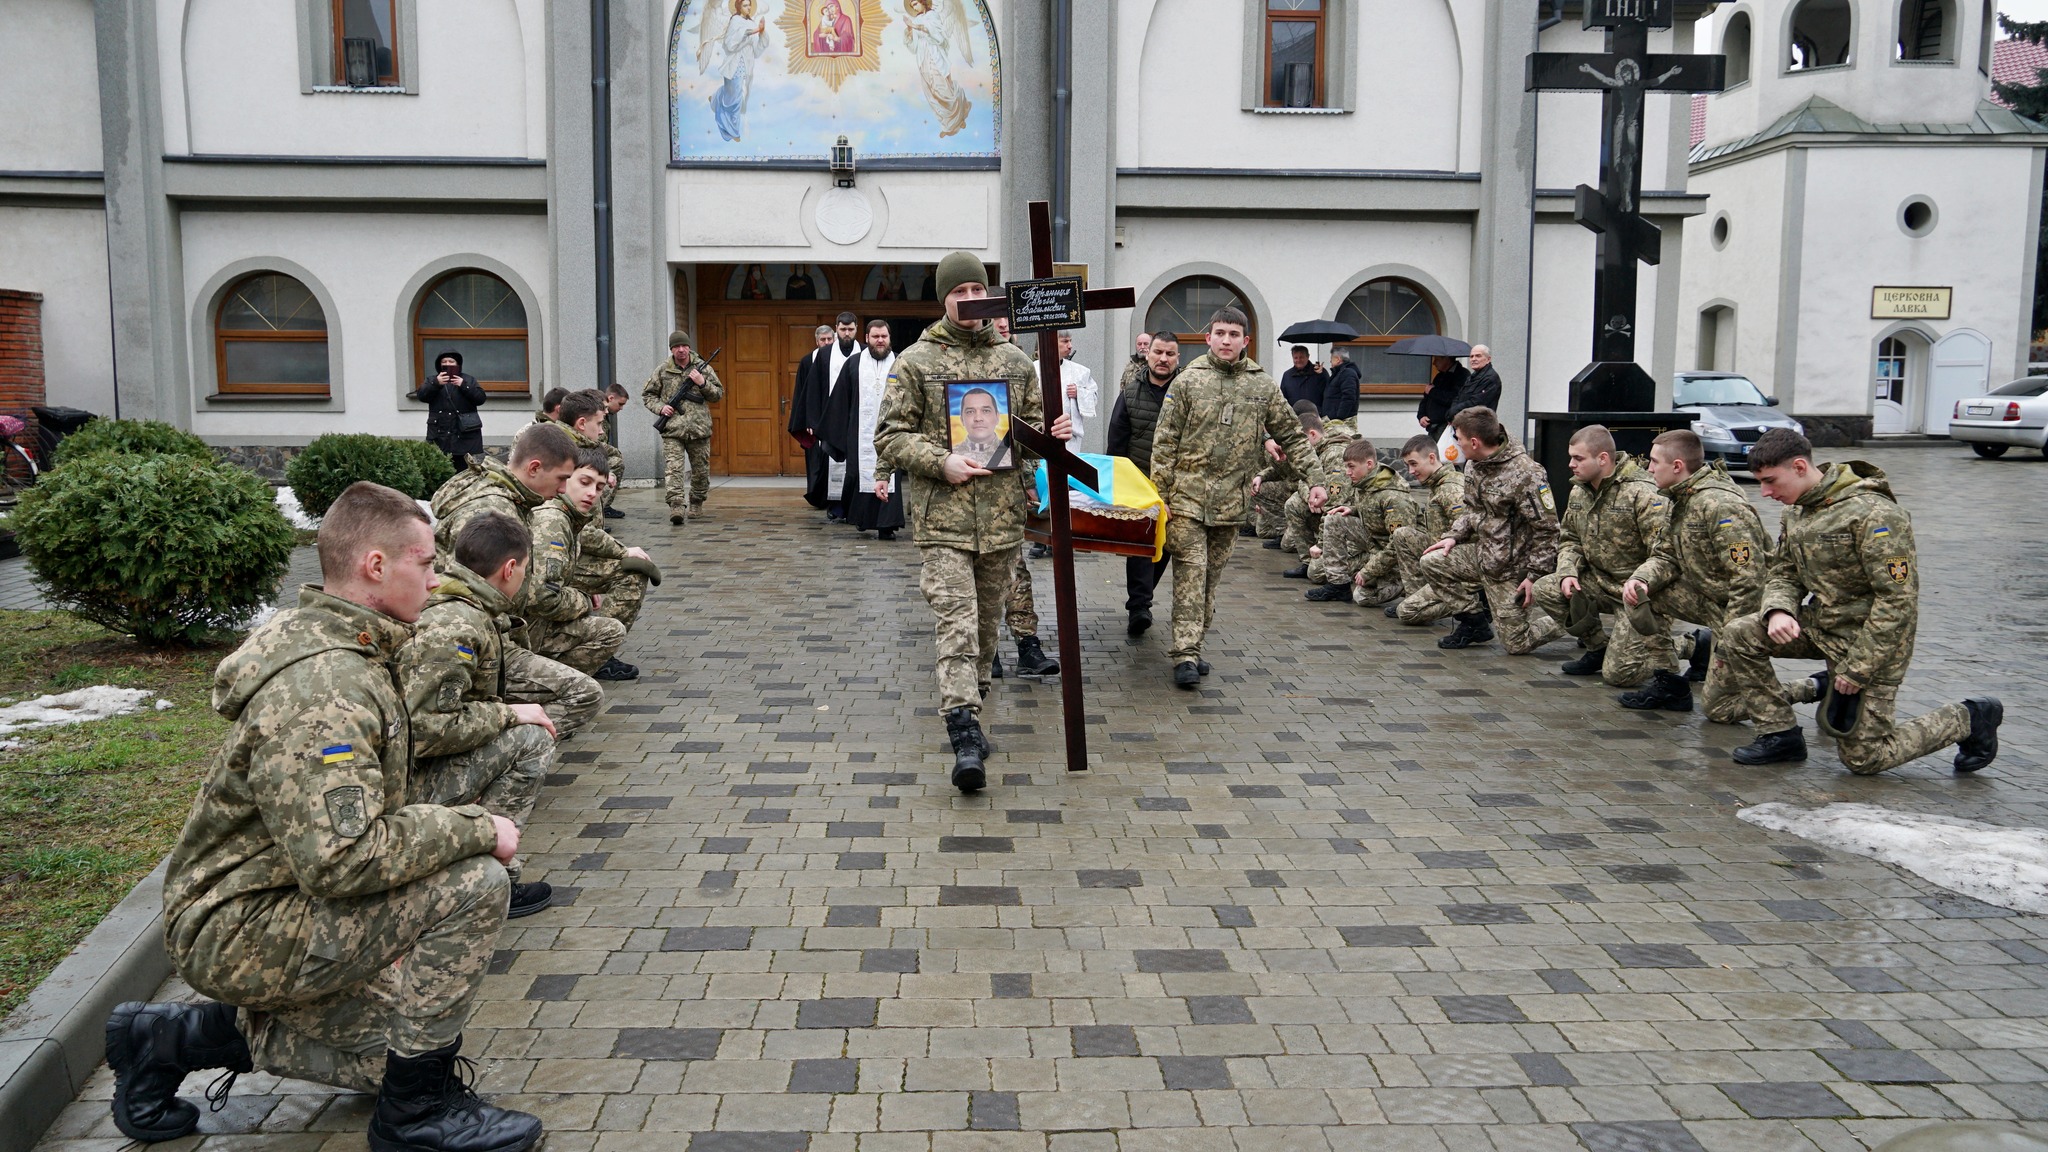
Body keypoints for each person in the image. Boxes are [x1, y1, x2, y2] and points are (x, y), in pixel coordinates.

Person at [110, 482, 541, 1152]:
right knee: (477, 883)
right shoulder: (327, 690)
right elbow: (344, 857)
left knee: (386, 1053)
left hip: (284, 897)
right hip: (240, 923)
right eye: (425, 565)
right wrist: (478, 829)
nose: (437, 579)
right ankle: (415, 1117)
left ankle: (161, 1039)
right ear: (376, 566)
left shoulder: (358, 644)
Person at [874, 251, 1072, 792]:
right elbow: (890, 436)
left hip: (1003, 522)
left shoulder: (1013, 361)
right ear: (943, 298)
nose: (967, 300)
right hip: (944, 522)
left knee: (986, 631)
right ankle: (962, 731)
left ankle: (974, 706)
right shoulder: (916, 361)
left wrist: (1050, 434)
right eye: (957, 292)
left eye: (975, 290)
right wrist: (941, 461)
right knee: (956, 627)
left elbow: (1028, 440)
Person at [1713, 428, 2002, 774]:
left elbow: (1898, 601)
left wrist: (1859, 668)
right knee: (1739, 633)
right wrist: (1778, 610)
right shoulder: (1798, 512)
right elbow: (1784, 572)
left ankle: (1969, 717)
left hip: (1872, 645)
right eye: (1761, 482)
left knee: (1864, 759)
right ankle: (1780, 734)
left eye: (1772, 481)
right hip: (1825, 626)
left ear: (1801, 467)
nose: (1765, 492)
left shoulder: (1875, 515)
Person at [1150, 306, 1328, 688]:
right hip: (1187, 499)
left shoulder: (1261, 386)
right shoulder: (1188, 382)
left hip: (1232, 504)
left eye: (1234, 334)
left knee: (1210, 580)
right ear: (1207, 337)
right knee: (1190, 574)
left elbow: (1293, 436)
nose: (1226, 340)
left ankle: (1194, 643)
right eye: (1220, 333)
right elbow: (1164, 443)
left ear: (1245, 341)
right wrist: (1159, 494)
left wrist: (1316, 478)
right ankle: (1184, 653)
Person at [397, 512, 562, 921]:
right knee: (531, 741)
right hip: (399, 785)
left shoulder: (469, 606)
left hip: (400, 769)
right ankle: (492, 877)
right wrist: (505, 715)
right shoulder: (457, 623)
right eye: (524, 570)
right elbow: (427, 728)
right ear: (509, 570)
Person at [1616, 428, 1770, 716]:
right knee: (1639, 594)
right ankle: (1670, 684)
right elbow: (1665, 555)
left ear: (1677, 466)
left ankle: (1812, 686)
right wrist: (1641, 578)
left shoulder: (1720, 505)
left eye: (1653, 462)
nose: (1648, 468)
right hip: (1707, 598)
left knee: (1719, 710)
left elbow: (1749, 581)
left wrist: (1730, 643)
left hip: (1740, 613)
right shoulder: (1679, 498)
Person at [1529, 426, 1678, 690]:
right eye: (1570, 457)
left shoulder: (1643, 493)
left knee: (1620, 675)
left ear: (1603, 459)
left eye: (1578, 458)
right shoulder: (1580, 492)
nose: (1570, 464)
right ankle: (1598, 647)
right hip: (1600, 583)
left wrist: (1641, 584)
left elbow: (1664, 555)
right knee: (1548, 588)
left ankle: (1688, 646)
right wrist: (1568, 572)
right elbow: (1570, 540)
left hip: (1638, 594)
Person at [1420, 406, 1569, 655]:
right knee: (1432, 561)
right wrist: (1452, 537)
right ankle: (1473, 623)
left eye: (1459, 439)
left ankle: (1575, 617)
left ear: (1475, 442)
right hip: (1483, 556)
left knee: (1516, 644)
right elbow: (1471, 511)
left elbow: (1548, 530)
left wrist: (1534, 575)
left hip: (1512, 570)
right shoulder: (1473, 465)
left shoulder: (1526, 473)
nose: (1457, 444)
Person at [525, 449, 637, 681]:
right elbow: (542, 597)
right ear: (566, 479)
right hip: (528, 631)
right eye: (584, 482)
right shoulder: (553, 521)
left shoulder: (568, 516)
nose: (591, 494)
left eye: (599, 488)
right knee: (610, 632)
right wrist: (583, 600)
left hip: (533, 622)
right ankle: (546, 679)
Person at [1107, 332, 1180, 636]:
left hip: (1178, 482)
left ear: (1178, 358)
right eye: (1158, 352)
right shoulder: (1130, 392)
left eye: (1170, 354)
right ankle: (1139, 606)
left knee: (1166, 543)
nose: (1163, 359)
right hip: (1139, 481)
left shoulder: (1186, 391)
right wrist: (1115, 485)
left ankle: (1143, 593)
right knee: (1141, 542)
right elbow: (1117, 441)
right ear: (1147, 353)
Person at [820, 318, 906, 538]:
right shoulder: (854, 363)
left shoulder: (900, 362)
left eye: (883, 336)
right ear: (866, 338)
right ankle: (863, 519)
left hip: (893, 434)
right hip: (860, 434)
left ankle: (887, 525)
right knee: (861, 475)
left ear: (889, 339)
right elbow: (840, 400)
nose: (880, 341)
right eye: (875, 336)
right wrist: (837, 434)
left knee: (892, 476)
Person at [1307, 439, 1419, 606]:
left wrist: (1369, 571)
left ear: (1368, 464)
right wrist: (1353, 510)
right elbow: (1373, 509)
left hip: (1396, 559)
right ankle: (1338, 585)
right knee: (1334, 519)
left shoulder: (1394, 497)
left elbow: (1398, 545)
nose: (1347, 472)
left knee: (1362, 597)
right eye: (1346, 467)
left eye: (1351, 466)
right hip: (1373, 544)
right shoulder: (1365, 483)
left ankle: (1404, 584)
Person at [641, 330, 725, 526]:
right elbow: (648, 395)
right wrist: (661, 408)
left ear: (689, 347)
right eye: (676, 347)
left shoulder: (702, 368)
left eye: (684, 346)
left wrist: (702, 383)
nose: (681, 350)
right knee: (674, 470)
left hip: (699, 429)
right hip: (673, 430)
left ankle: (696, 502)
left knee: (701, 471)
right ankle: (676, 505)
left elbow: (718, 394)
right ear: (671, 349)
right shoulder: (663, 370)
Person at [1389, 433, 1470, 624]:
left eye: (1414, 464)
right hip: (1439, 554)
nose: (1410, 471)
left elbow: (1468, 530)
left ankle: (1475, 603)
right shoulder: (1437, 484)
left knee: (1407, 613)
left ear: (1432, 458)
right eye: (1408, 465)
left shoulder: (1450, 488)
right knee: (1403, 535)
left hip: (1456, 564)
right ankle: (1415, 596)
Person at [1279, 410, 1351, 575]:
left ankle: (1323, 559)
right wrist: (1310, 496)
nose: (1300, 449)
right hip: (1320, 508)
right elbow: (1302, 480)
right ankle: (1307, 561)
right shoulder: (1317, 450)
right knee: (1293, 504)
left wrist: (1321, 545)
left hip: (1341, 517)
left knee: (1316, 574)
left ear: (1312, 434)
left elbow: (1335, 503)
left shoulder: (1335, 454)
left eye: (1302, 443)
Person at [410, 351, 486, 471]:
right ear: (439, 365)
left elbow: (480, 399)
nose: (448, 364)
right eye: (444, 362)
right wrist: (436, 383)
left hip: (464, 436)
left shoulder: (468, 380)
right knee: (441, 471)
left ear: (458, 364)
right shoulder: (432, 380)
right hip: (440, 435)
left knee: (464, 473)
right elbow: (422, 396)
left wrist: (463, 385)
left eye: (451, 361)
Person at [792, 324, 836, 510]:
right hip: (814, 421)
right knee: (815, 460)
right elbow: (802, 393)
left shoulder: (842, 358)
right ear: (816, 341)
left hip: (834, 418)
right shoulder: (807, 361)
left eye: (829, 339)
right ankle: (817, 496)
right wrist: (807, 419)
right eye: (822, 340)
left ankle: (835, 497)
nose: (826, 343)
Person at [1442, 345, 1501, 431]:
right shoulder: (1472, 377)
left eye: (1478, 356)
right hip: (1466, 425)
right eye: (1471, 356)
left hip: (1480, 428)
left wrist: (1453, 413)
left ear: (1488, 359)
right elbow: (1459, 396)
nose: (1473, 359)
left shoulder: (1490, 378)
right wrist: (1451, 413)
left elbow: (1476, 403)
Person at [953, 386, 1013, 470]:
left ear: (997, 417)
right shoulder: (951, 456)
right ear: (962, 419)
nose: (978, 418)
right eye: (970, 412)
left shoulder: (1013, 452)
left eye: (986, 411)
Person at [1417, 355, 1468, 434]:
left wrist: (1432, 391)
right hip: (1433, 426)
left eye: (1437, 359)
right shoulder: (1439, 376)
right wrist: (1421, 415)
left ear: (1447, 359)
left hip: (1447, 426)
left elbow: (1454, 398)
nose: (1434, 363)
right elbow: (1426, 398)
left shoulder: (1462, 375)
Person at [602, 384, 630, 518]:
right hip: (584, 455)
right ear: (611, 398)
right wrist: (615, 452)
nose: (621, 408)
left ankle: (604, 506)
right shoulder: (597, 413)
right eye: (620, 404)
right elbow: (597, 444)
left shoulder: (603, 414)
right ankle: (601, 507)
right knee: (616, 462)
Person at [1279, 345, 1328, 411]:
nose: (1298, 360)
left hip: (1316, 415)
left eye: (1301, 357)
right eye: (1296, 358)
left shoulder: (1319, 372)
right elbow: (1282, 398)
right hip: (1294, 417)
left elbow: (1328, 393)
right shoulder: (1287, 375)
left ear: (1308, 357)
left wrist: (1320, 375)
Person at [1322, 348, 1360, 422]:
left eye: (1331, 359)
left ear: (1338, 359)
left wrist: (1339, 417)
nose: (1330, 361)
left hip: (1340, 422)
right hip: (1334, 420)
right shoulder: (1338, 374)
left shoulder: (1347, 374)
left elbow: (1349, 397)